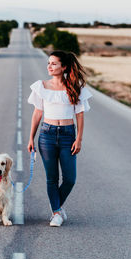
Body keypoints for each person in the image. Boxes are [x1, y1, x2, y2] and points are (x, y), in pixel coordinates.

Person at [27, 50, 92, 227]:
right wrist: (31, 138)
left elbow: (80, 115)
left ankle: (55, 204)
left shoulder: (75, 87)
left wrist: (79, 139)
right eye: (49, 63)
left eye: (54, 63)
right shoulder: (41, 86)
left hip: (67, 135)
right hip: (46, 135)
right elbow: (37, 113)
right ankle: (56, 212)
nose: (49, 66)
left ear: (64, 67)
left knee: (70, 178)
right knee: (52, 178)